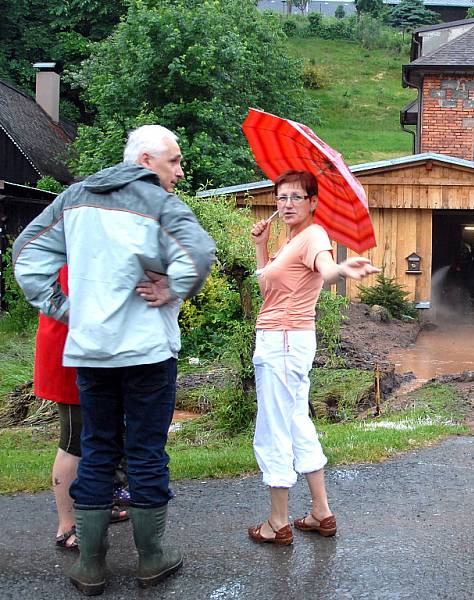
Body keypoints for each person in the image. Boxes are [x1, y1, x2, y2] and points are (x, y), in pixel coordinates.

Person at [13, 124, 216, 595]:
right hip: (147, 354)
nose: (180, 173)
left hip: (91, 353)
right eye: (174, 162)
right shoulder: (161, 205)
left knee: (98, 448)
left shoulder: (74, 198)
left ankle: (90, 566)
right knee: (145, 451)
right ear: (146, 160)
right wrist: (170, 287)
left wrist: (67, 310)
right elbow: (201, 251)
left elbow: (26, 256)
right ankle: (151, 559)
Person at [247, 169, 379, 546]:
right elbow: (267, 289)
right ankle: (321, 511)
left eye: (296, 198)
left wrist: (341, 269)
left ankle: (277, 522)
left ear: (313, 203)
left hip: (283, 342)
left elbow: (327, 268)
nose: (287, 204)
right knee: (296, 421)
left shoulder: (312, 237)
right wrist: (261, 246)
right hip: (286, 340)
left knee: (274, 428)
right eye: (281, 197)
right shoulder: (289, 241)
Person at [36, 266, 129, 551]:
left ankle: (99, 506)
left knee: (102, 433)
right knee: (74, 440)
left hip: (87, 350)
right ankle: (67, 525)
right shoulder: (71, 248)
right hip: (70, 352)